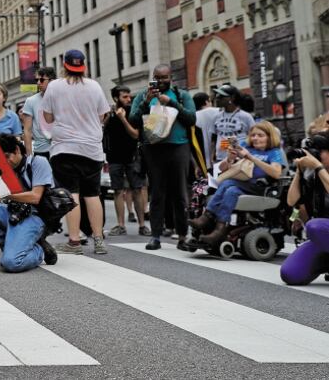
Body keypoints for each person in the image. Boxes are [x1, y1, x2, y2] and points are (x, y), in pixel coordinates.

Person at [41, 50, 110, 255]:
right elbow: (103, 114)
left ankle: (74, 241)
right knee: (92, 194)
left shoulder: (54, 86)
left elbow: (48, 116)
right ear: (83, 67)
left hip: (64, 148)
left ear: (64, 66)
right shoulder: (95, 86)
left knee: (71, 194)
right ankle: (98, 240)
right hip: (91, 148)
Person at [128, 64, 197, 251]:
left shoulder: (182, 95)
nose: (160, 81)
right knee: (157, 194)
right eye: (157, 77)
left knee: (180, 194)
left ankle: (183, 236)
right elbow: (133, 120)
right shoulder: (144, 95)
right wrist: (145, 102)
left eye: (164, 77)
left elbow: (191, 119)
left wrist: (171, 103)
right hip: (153, 149)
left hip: (178, 147)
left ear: (170, 77)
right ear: (152, 77)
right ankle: (155, 236)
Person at [191, 121, 285, 245]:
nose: (255, 138)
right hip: (242, 185)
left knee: (228, 182)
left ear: (269, 137)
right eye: (253, 135)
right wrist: (229, 158)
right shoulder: (246, 146)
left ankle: (207, 217)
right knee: (231, 191)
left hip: (261, 187)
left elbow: (276, 173)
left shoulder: (274, 152)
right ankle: (220, 229)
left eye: (260, 135)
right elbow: (223, 169)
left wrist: (251, 157)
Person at [0, 134, 57, 271]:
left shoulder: (38, 162)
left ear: (17, 150)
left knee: (11, 263)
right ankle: (13, 246)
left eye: (7, 156)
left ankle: (39, 251)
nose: (6, 162)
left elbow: (35, 197)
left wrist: (6, 195)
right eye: (1, 160)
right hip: (14, 212)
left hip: (35, 217)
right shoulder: (4, 170)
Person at [281, 133, 329, 285]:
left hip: (322, 229)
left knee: (315, 226)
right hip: (323, 238)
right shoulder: (313, 176)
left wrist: (318, 167)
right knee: (290, 273)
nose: (314, 156)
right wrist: (299, 171)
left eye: (319, 151)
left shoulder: (319, 170)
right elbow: (291, 201)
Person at [104, 86, 147, 237]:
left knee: (137, 189)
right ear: (116, 98)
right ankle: (120, 225)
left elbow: (135, 134)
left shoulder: (132, 113)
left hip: (132, 156)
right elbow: (100, 128)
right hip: (114, 157)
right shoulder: (109, 113)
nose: (129, 100)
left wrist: (123, 119)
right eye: (125, 97)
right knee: (117, 190)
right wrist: (109, 116)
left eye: (129, 97)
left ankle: (142, 225)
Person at [209, 84, 255, 183]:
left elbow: (253, 138)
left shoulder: (245, 117)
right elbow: (213, 138)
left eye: (221, 96)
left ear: (232, 98)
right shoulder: (216, 116)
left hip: (239, 160)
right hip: (221, 160)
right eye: (217, 95)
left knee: (232, 186)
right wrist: (211, 158)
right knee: (219, 186)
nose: (217, 98)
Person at [21, 67, 55, 158]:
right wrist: (29, 156)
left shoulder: (61, 98)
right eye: (37, 80)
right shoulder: (31, 101)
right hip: (40, 150)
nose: (38, 82)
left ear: (52, 81)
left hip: (60, 150)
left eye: (42, 80)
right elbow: (27, 130)